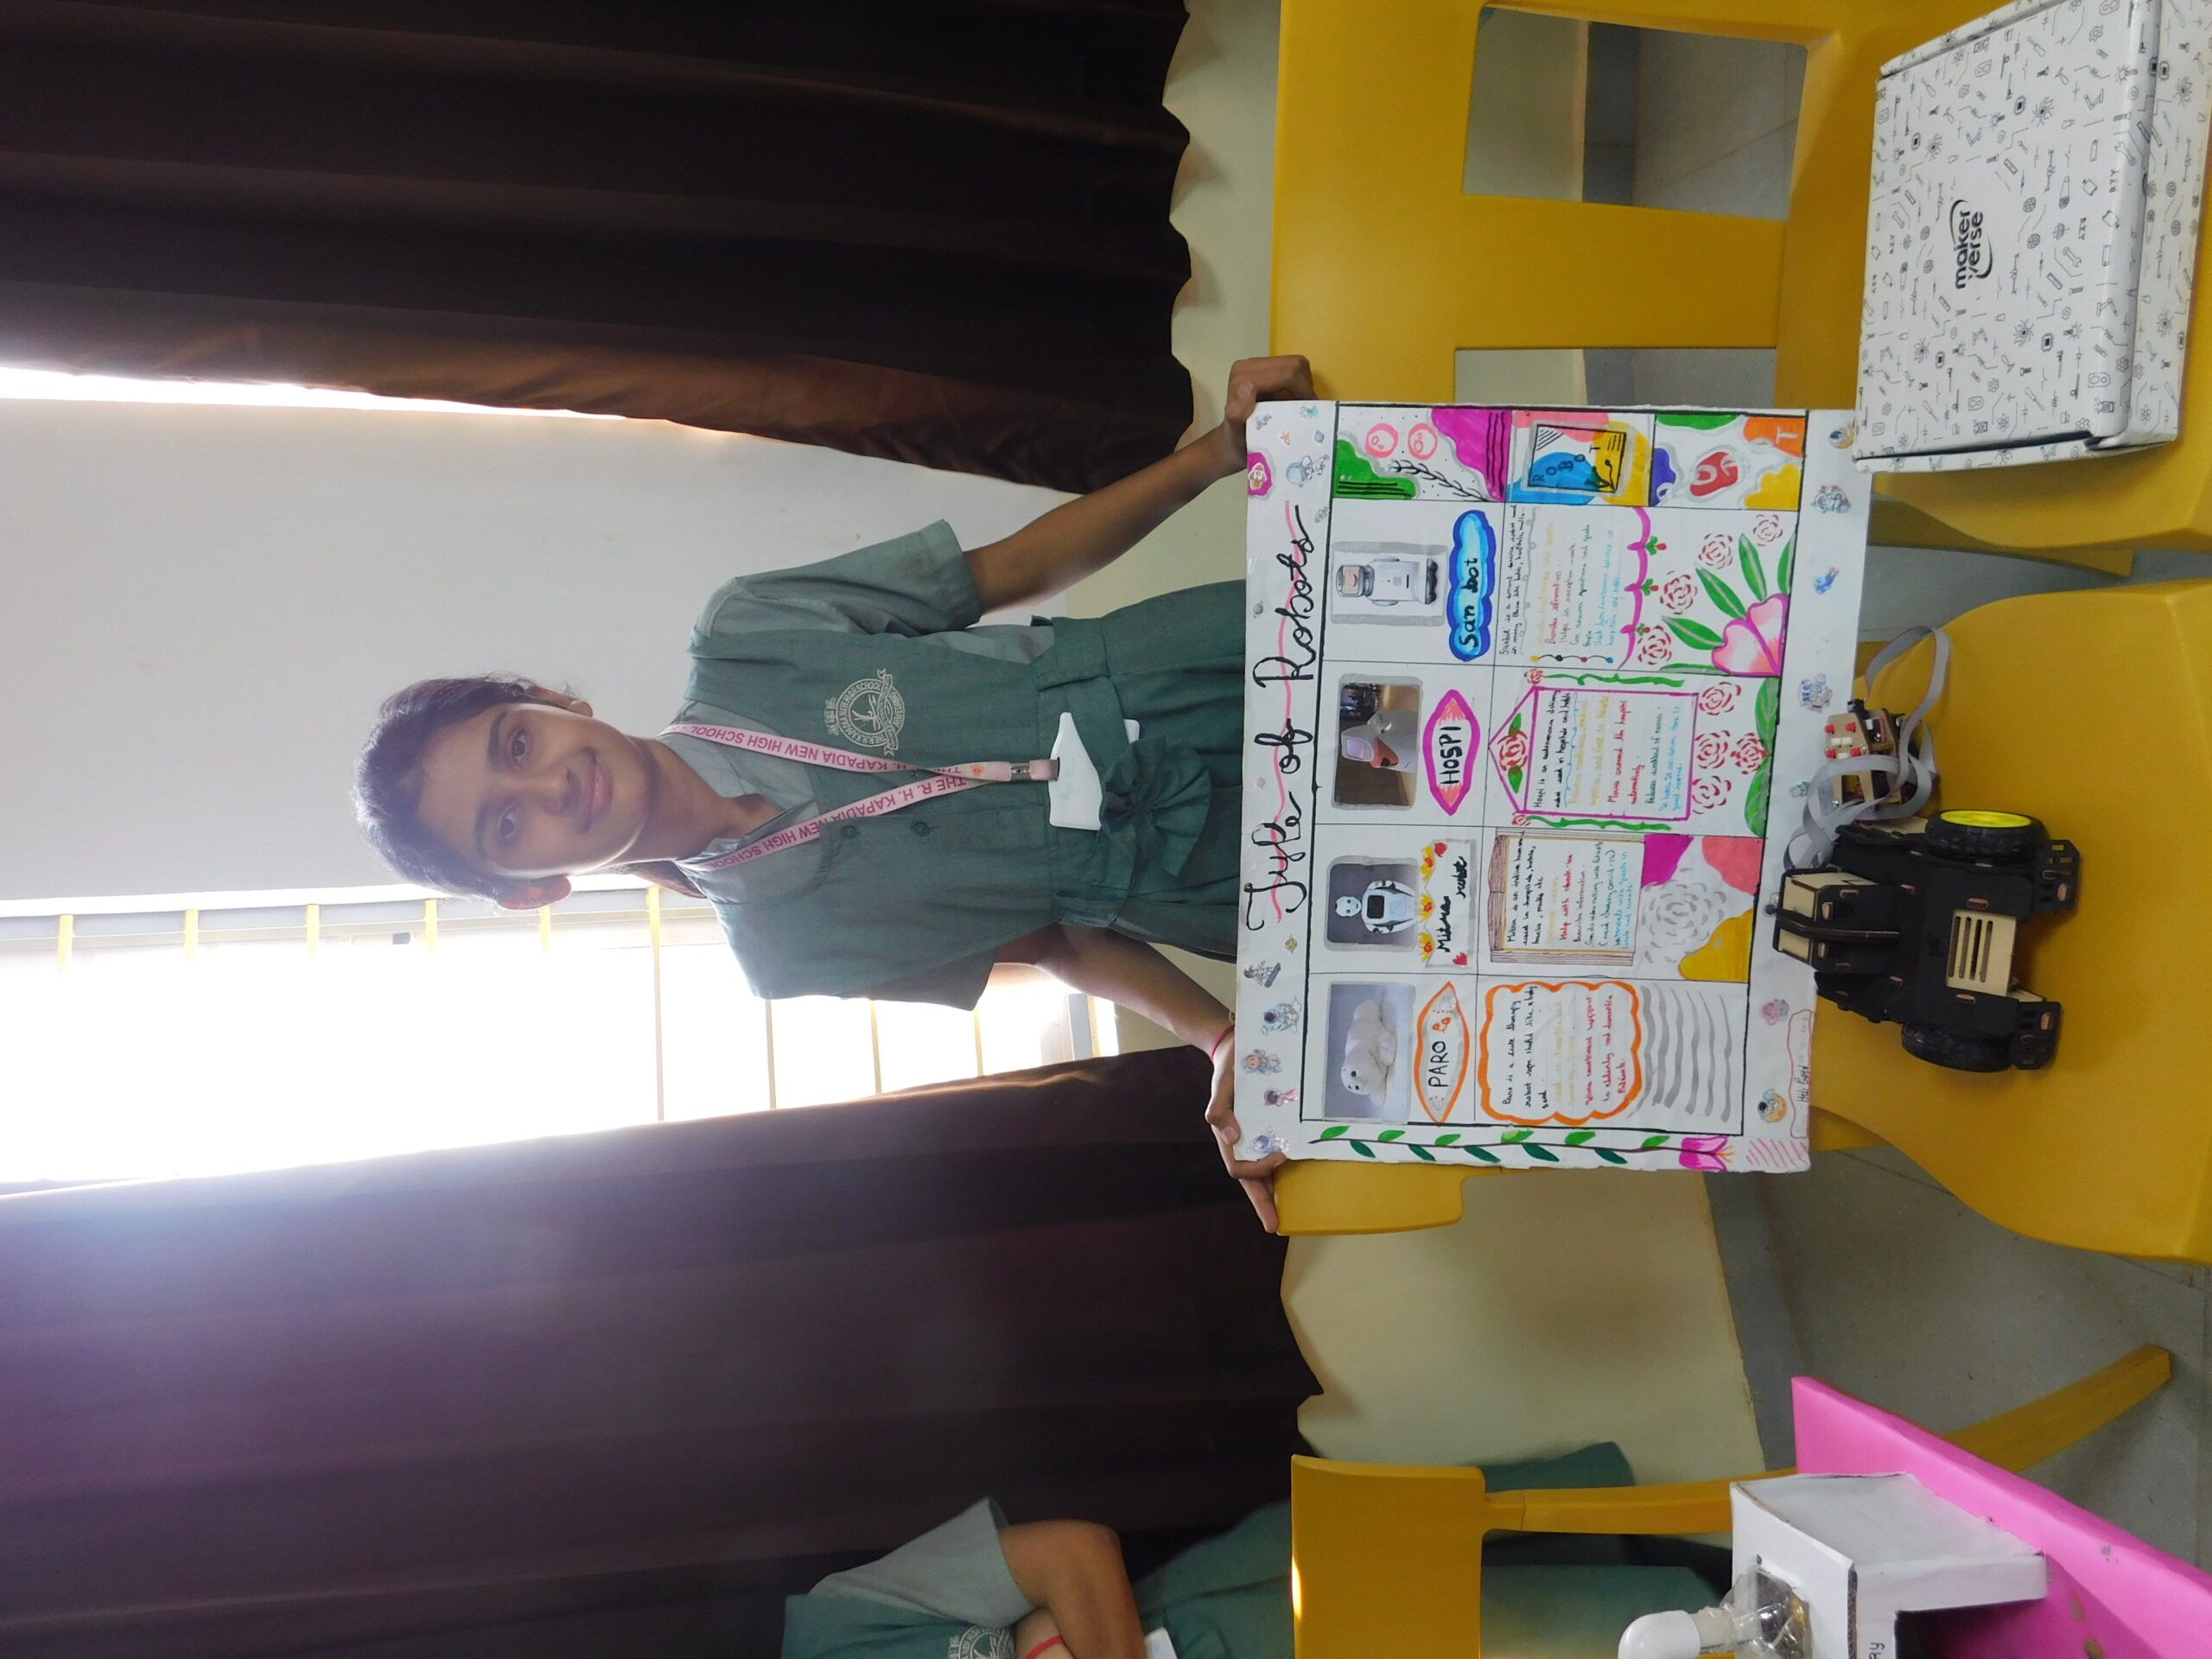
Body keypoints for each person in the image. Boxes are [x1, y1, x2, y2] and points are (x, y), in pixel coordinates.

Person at [353, 358, 1315, 1228]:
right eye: (506, 824)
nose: (550, 784)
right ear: (533, 890)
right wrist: (1220, 1039)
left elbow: (1010, 570)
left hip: (1204, 666)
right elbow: (1057, 941)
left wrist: (1216, 454)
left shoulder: (749, 631)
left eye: (517, 741)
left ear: (553, 701)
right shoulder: (787, 951)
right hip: (1218, 881)